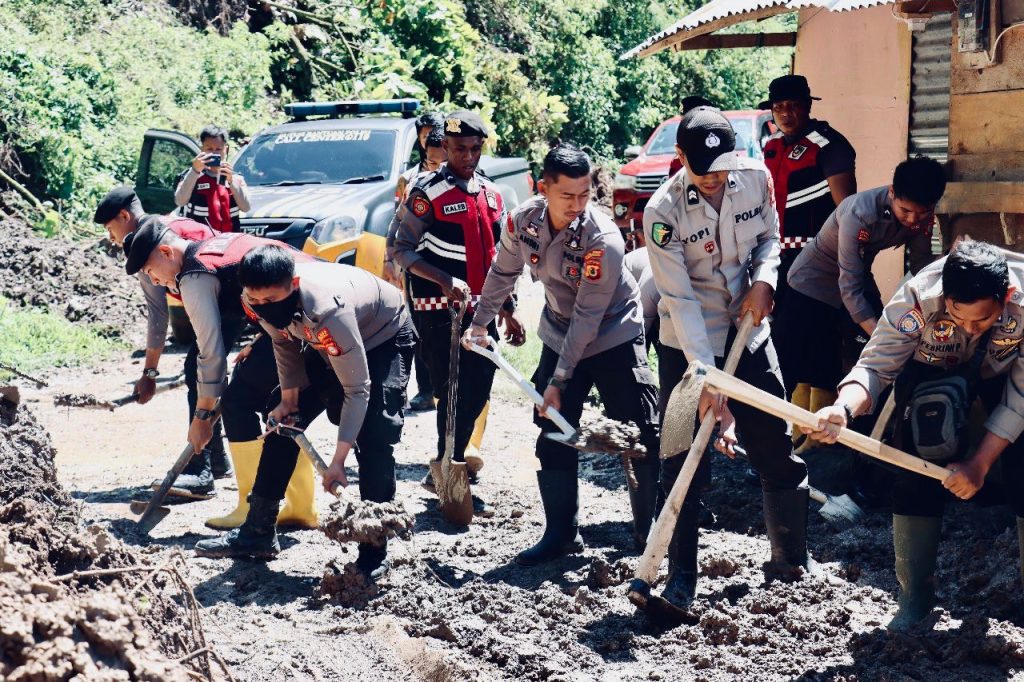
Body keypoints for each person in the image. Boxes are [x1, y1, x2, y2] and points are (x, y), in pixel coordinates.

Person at [802, 240, 1024, 631]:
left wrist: (979, 463)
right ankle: (914, 600)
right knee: (918, 463)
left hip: (1006, 373)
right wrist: (843, 409)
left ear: (1005, 297)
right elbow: (876, 365)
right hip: (932, 370)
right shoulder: (918, 298)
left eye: (983, 319)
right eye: (959, 316)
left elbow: (1021, 397)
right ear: (945, 297)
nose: (970, 328)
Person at [644, 106, 812, 610]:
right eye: (704, 171)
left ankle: (789, 560)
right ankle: (681, 579)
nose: (716, 180)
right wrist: (705, 378)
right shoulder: (662, 213)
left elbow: (768, 238)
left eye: (722, 169)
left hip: (750, 332)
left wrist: (764, 280)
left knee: (774, 448)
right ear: (681, 159)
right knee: (681, 461)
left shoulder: (755, 177)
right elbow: (680, 299)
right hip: (687, 347)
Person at [465, 143, 660, 562]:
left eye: (585, 195)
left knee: (637, 434)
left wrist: (558, 380)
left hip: (612, 334)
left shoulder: (603, 239)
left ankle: (649, 538)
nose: (577, 205)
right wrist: (479, 322)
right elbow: (503, 271)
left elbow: (589, 318)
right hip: (558, 331)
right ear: (543, 188)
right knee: (553, 429)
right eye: (566, 195)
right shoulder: (522, 222)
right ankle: (561, 534)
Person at [195, 245, 416, 580]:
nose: (264, 308)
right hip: (325, 339)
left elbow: (358, 390)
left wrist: (338, 461)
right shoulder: (253, 299)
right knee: (285, 422)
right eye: (257, 302)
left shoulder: (327, 311)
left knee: (374, 435)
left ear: (293, 284)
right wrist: (288, 397)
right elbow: (283, 342)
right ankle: (258, 533)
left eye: (272, 300)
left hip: (382, 334)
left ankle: (374, 549)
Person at [122, 220, 319, 527]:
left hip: (309, 320)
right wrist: (259, 340)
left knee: (237, 400)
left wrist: (202, 416)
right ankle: (298, 507)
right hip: (312, 311)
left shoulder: (193, 274)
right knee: (270, 398)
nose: (155, 280)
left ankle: (251, 508)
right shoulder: (215, 248)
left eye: (150, 271)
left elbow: (210, 352)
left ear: (165, 252)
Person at [392, 110, 522, 498]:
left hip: (481, 310)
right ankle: (449, 469)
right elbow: (400, 248)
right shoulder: (425, 192)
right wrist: (445, 280)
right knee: (450, 389)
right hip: (436, 308)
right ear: (444, 147)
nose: (468, 156)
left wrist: (509, 309)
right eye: (460, 148)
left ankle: (446, 464)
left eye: (475, 149)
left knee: (479, 386)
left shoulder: (491, 193)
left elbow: (499, 257)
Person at [93, 187, 233, 496]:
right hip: (228, 286)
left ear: (124, 216)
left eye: (109, 228)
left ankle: (200, 470)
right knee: (201, 367)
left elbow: (158, 317)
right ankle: (217, 459)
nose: (111, 237)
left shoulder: (147, 245)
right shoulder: (171, 223)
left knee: (200, 366)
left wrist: (150, 374)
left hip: (225, 294)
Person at [776, 156, 946, 409]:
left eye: (922, 213)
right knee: (795, 362)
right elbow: (850, 288)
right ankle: (785, 433)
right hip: (810, 284)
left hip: (855, 275)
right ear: (891, 192)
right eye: (906, 211)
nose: (912, 220)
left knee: (839, 362)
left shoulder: (923, 216)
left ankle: (830, 437)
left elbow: (921, 263)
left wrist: (950, 259)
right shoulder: (859, 212)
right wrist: (882, 334)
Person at [760, 75, 857, 416]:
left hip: (817, 259)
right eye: (778, 107)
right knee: (794, 345)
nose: (785, 114)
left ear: (808, 106)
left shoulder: (829, 146)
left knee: (814, 342)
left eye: (793, 106)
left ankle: (818, 431)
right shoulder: (771, 146)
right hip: (777, 259)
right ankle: (800, 427)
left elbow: (848, 210)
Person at [386, 120, 447, 412]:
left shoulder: (469, 181)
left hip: (453, 267)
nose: (437, 167)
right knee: (421, 327)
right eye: (432, 159)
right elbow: (398, 222)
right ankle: (426, 389)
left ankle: (453, 388)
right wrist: (390, 258)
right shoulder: (411, 182)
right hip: (418, 267)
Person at [174, 124, 251, 232]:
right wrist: (195, 170)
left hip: (229, 239)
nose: (214, 153)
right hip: (199, 240)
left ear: (226, 149)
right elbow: (180, 201)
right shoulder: (192, 175)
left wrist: (231, 181)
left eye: (218, 149)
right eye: (209, 149)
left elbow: (246, 207)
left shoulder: (236, 178)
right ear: (202, 149)